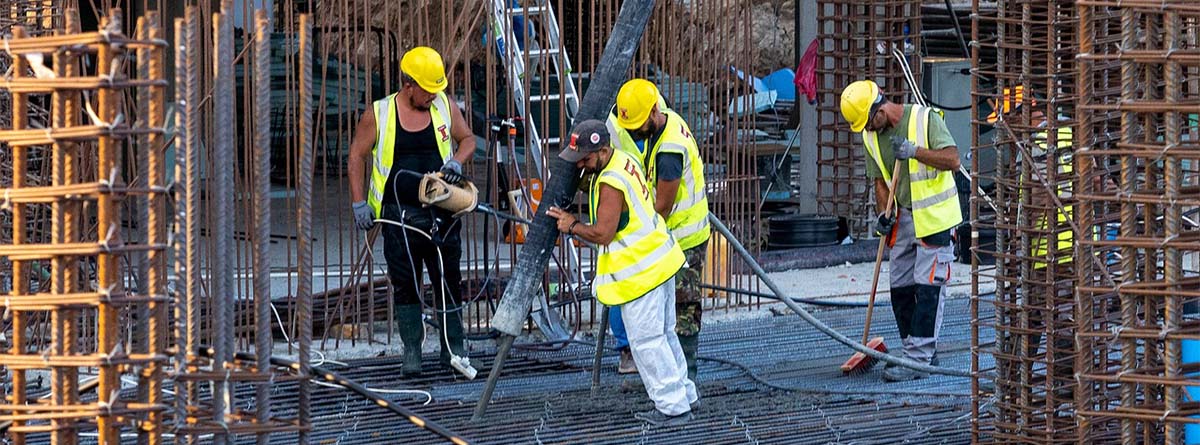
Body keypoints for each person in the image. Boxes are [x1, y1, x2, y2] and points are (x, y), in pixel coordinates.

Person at [547, 120, 697, 426]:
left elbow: (603, 233)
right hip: (661, 261)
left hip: (642, 275)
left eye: (586, 159)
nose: (582, 165)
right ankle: (684, 395)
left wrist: (571, 225)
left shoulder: (610, 182)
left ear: (602, 150)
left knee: (646, 343)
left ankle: (672, 408)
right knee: (665, 334)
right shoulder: (622, 159)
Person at [347, 46, 476, 377]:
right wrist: (359, 201)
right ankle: (412, 350)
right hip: (398, 216)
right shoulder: (378, 114)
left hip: (441, 213)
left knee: (447, 279)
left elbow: (468, 140)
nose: (433, 96)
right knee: (405, 284)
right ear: (409, 85)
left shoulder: (444, 106)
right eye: (428, 90)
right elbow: (356, 156)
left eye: (437, 90)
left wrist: (456, 162)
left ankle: (454, 348)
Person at [839, 80, 963, 381]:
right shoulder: (871, 138)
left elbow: (953, 159)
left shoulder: (924, 120)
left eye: (869, 122)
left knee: (928, 286)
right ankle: (915, 348)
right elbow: (881, 182)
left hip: (935, 217)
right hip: (904, 218)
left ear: (879, 109)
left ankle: (919, 359)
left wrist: (916, 151)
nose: (867, 129)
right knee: (901, 288)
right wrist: (885, 214)